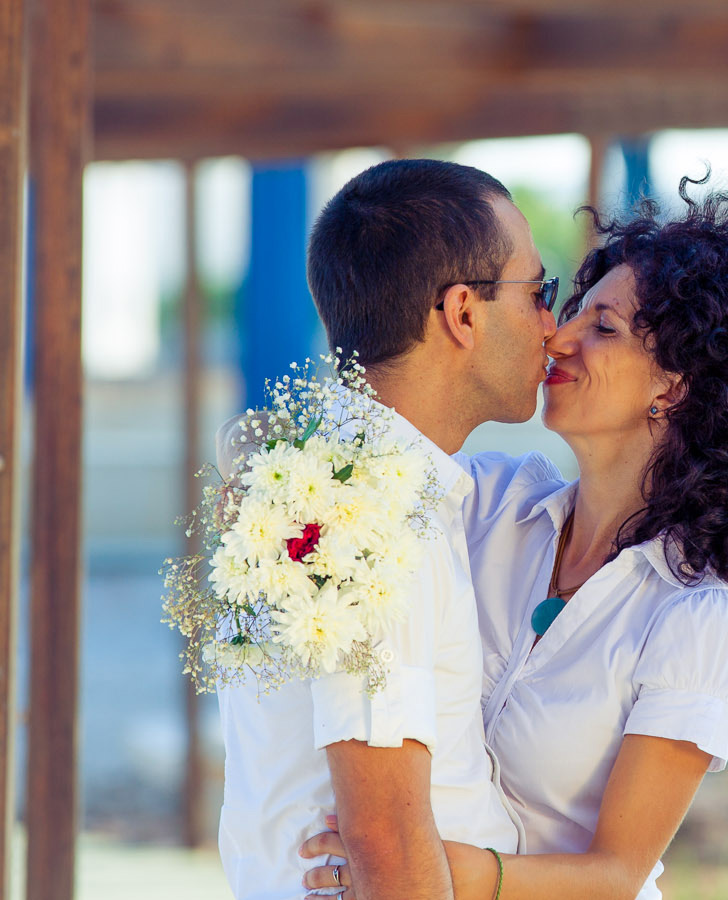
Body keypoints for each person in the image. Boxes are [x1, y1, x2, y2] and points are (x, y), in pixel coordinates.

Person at [300, 174, 728, 899]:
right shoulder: (486, 501)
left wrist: (459, 870)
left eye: (603, 328)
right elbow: (364, 470)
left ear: (675, 386)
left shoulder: (698, 620)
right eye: (567, 311)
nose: (557, 338)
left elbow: (620, 872)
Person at [216, 158, 560, 900]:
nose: (552, 326)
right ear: (463, 313)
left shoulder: (328, 479)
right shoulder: (367, 511)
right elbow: (384, 837)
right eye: (540, 293)